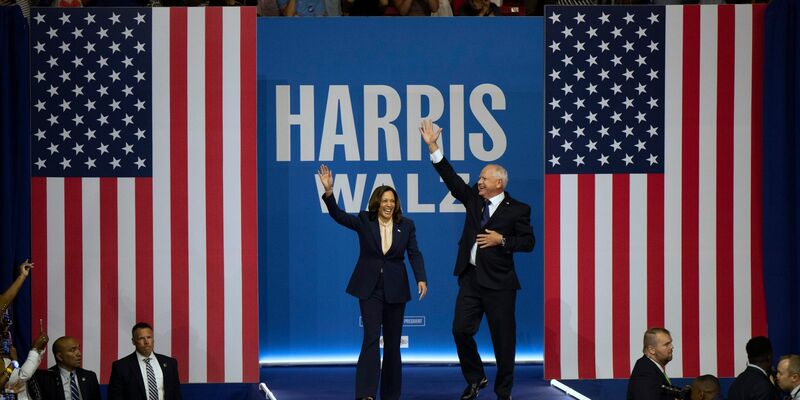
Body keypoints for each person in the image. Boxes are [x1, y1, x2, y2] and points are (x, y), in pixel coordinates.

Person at [418, 120, 535, 400]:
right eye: (479, 178)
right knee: (460, 330)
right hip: (470, 279)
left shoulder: (518, 209)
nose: (479, 182)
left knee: (503, 341)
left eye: (484, 178)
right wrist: (433, 147)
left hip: (500, 284)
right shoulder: (474, 199)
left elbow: (528, 243)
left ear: (499, 183)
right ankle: (476, 377)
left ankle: (503, 392)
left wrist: (502, 240)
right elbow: (451, 179)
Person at [317, 164, 428, 400]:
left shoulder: (406, 225)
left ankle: (391, 394)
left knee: (393, 344)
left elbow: (414, 253)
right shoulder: (364, 220)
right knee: (370, 338)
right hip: (370, 288)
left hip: (396, 289)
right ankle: (366, 393)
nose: (389, 205)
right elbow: (338, 216)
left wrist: (421, 278)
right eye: (385, 200)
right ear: (377, 202)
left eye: (392, 201)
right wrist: (329, 192)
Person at [107, 322, 182, 400]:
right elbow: (115, 397)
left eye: (149, 337)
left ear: (153, 339)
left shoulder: (170, 363)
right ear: (133, 341)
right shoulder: (121, 367)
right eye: (141, 338)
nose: (146, 342)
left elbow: (176, 394)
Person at [27, 336, 100, 400]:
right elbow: (25, 375)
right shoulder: (45, 379)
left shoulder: (90, 377)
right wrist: (35, 349)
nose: (79, 353)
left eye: (78, 349)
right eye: (73, 350)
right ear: (59, 357)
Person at [627, 327, 675, 400]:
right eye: (666, 344)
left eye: (671, 343)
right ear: (652, 350)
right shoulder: (645, 372)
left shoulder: (650, 368)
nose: (672, 347)